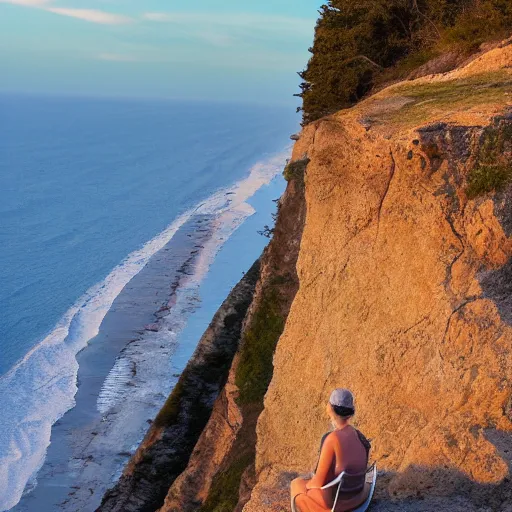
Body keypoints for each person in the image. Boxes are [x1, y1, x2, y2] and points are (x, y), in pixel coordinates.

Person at [290, 389, 372, 512]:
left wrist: (306, 485)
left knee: (297, 485)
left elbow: (317, 483)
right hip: (356, 498)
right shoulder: (357, 435)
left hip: (338, 503)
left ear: (330, 408)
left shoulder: (332, 439)